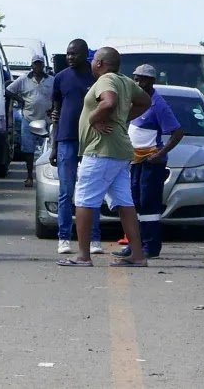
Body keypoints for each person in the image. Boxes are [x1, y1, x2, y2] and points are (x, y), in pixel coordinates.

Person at [57, 48, 151, 268]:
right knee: (124, 202)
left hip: (101, 150)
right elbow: (145, 101)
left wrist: (94, 118)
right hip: (119, 151)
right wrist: (122, 118)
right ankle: (137, 255)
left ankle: (83, 256)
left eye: (93, 60)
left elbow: (108, 102)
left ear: (99, 63)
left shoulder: (105, 80)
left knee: (84, 200)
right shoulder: (125, 81)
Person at [112, 64, 183, 259]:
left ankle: (150, 246)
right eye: (135, 78)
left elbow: (177, 132)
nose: (137, 82)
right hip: (135, 160)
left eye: (142, 79)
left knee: (148, 204)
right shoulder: (136, 101)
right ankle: (134, 244)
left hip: (151, 162)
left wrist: (160, 154)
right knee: (134, 202)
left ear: (152, 81)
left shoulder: (158, 104)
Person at [49, 39, 103, 255]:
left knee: (91, 192)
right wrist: (54, 146)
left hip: (91, 140)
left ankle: (94, 238)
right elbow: (56, 113)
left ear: (84, 54)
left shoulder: (96, 78)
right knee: (66, 192)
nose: (70, 57)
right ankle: (64, 238)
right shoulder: (60, 78)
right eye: (68, 54)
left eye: (74, 54)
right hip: (66, 140)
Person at [6, 54, 54, 188]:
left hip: (47, 120)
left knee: (49, 149)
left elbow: (58, 95)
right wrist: (20, 100)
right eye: (35, 64)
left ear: (43, 65)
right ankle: (29, 176)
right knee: (28, 150)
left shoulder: (52, 80)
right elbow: (8, 91)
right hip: (29, 119)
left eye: (40, 64)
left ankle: (48, 176)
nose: (37, 66)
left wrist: (54, 108)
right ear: (32, 66)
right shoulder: (23, 79)